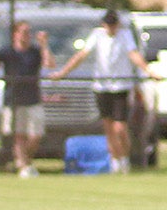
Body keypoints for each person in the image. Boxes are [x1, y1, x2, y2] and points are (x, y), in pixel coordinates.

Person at [49, 9, 148, 173]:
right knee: (109, 127)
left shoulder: (125, 35)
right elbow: (81, 55)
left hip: (121, 86)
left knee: (120, 128)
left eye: (114, 25)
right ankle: (115, 161)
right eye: (108, 25)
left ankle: (125, 158)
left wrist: (148, 71)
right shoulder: (97, 35)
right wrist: (63, 73)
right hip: (102, 87)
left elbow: (133, 54)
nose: (111, 28)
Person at [0, 23, 50, 178]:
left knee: (35, 135)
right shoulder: (8, 52)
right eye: (23, 32)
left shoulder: (35, 52)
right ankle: (24, 166)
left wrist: (44, 45)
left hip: (33, 98)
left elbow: (50, 64)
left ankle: (25, 162)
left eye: (28, 32)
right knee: (19, 135)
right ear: (15, 34)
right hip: (13, 99)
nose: (26, 35)